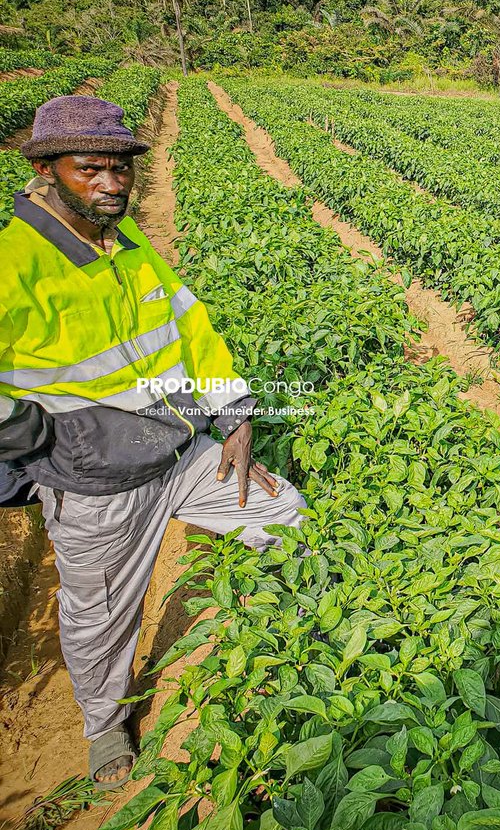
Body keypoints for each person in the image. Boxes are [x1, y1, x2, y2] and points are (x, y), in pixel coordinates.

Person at [0, 96, 306, 790]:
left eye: (119, 169)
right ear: (47, 170)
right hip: (98, 481)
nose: (111, 183)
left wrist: (235, 415)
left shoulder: (129, 247)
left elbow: (192, 334)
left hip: (180, 451)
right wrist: (44, 436)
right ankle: (105, 725)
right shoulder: (13, 262)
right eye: (90, 170)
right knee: (103, 613)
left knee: (285, 514)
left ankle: (301, 645)